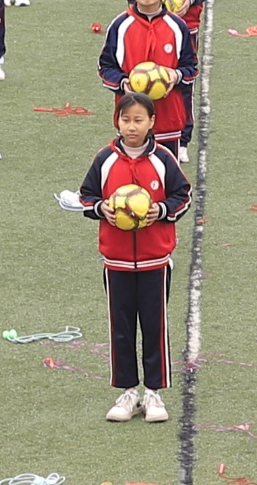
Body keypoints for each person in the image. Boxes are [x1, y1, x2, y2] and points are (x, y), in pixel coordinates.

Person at [77, 91, 191, 421]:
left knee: (154, 325)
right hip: (117, 260)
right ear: (117, 121)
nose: (131, 126)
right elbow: (86, 197)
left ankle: (154, 394)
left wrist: (162, 210)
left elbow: (182, 196)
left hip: (156, 259)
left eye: (139, 120)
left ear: (152, 122)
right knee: (121, 327)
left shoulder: (164, 160)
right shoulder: (105, 159)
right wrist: (102, 210)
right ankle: (128, 393)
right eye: (125, 120)